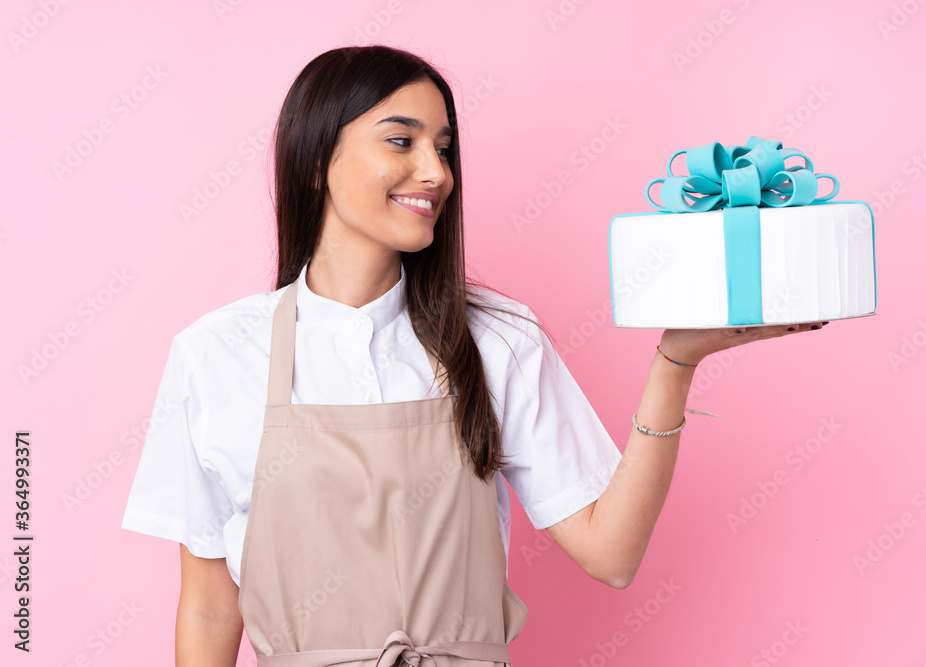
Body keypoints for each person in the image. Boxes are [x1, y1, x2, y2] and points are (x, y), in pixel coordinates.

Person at [120, 45, 828, 667]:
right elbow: (212, 607)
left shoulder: (497, 339)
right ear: (314, 161)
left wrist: (674, 364)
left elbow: (610, 553)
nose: (435, 171)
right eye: (401, 141)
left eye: (445, 147)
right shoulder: (215, 355)